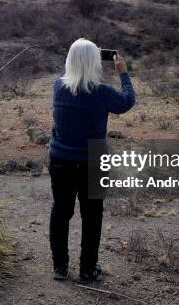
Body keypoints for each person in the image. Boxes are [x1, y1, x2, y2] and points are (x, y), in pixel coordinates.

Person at [48, 38, 136, 284]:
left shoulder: (57, 86)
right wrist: (124, 74)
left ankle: (60, 268)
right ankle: (87, 269)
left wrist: (84, 52)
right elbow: (128, 101)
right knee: (92, 214)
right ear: (95, 61)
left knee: (61, 211)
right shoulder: (103, 93)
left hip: (60, 159)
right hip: (93, 161)